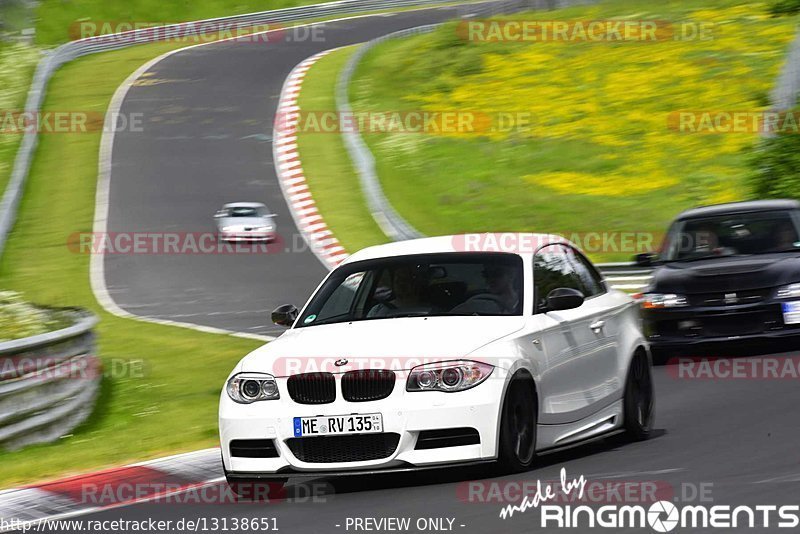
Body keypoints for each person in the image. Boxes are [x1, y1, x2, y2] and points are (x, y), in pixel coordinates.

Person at [450, 264, 519, 315]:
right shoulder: (477, 302)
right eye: (486, 275)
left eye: (497, 274)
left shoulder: (525, 299)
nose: (491, 280)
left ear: (511, 275)